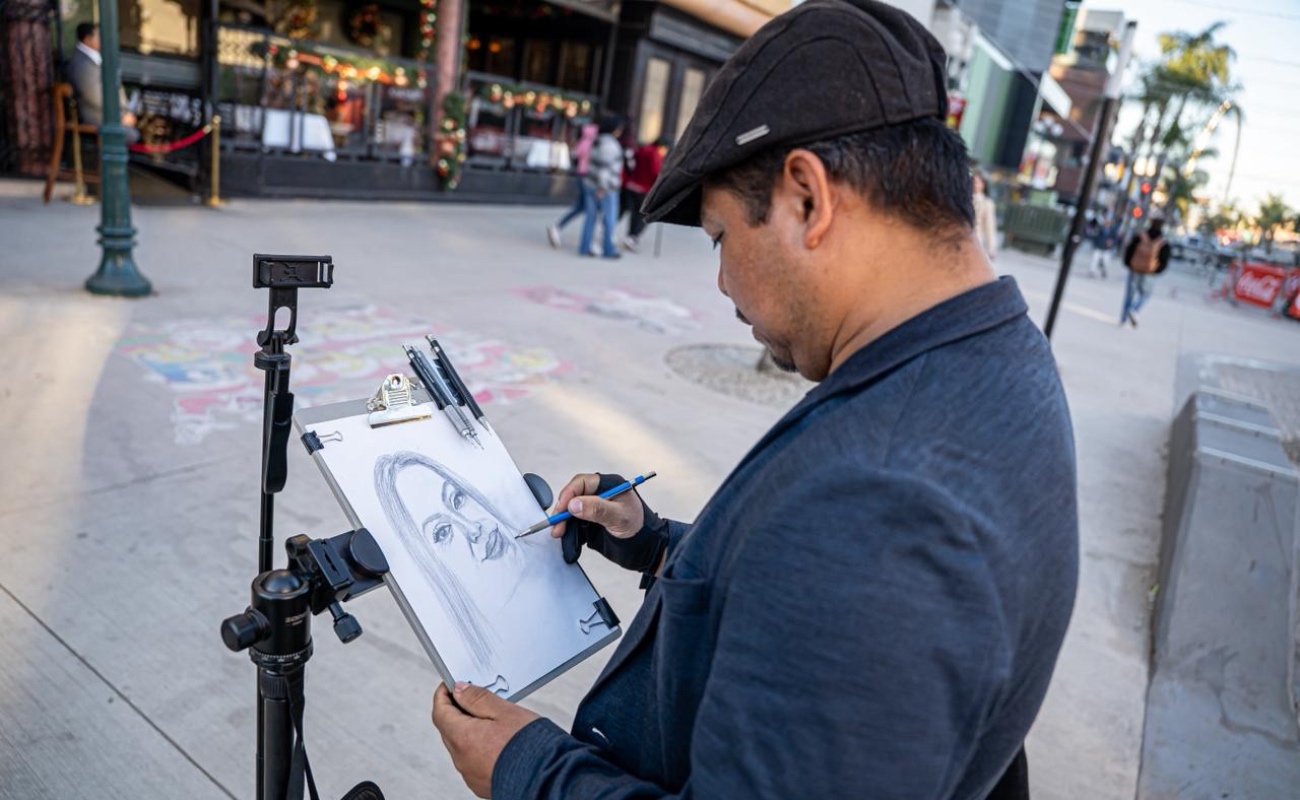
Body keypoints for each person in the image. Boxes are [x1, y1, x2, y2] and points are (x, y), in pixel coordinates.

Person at [431, 2, 1078, 799]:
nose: (721, 281)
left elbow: (846, 567)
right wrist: (659, 545)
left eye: (720, 237)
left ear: (808, 198)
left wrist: (529, 770)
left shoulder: (882, 504)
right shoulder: (991, 356)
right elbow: (815, 623)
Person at [66, 23, 138, 141]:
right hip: (95, 114)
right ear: (87, 39)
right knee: (130, 134)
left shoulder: (93, 57)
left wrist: (125, 111)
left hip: (107, 111)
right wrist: (119, 115)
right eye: (98, 35)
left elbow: (115, 86)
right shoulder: (82, 63)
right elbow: (93, 95)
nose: (103, 39)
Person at [577, 116, 624, 259]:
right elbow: (604, 168)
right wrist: (602, 187)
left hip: (590, 182)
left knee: (590, 217)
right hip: (606, 186)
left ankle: (584, 247)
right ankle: (608, 249)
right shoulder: (610, 145)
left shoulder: (597, 141)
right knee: (609, 218)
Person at [547, 123, 599, 249]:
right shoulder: (594, 144)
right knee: (591, 209)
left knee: (582, 206)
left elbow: (575, 156)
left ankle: (557, 227)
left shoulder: (583, 142)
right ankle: (589, 241)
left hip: (580, 175)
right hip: (589, 177)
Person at [620, 137, 671, 252]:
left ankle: (630, 236)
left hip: (632, 185)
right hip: (644, 188)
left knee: (635, 213)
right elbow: (655, 171)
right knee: (645, 215)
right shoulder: (654, 153)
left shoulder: (641, 149)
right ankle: (633, 236)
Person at [1120, 216, 1171, 327]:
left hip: (1134, 268)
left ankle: (1123, 319)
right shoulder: (1162, 242)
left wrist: (1128, 264)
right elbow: (1164, 260)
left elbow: (1129, 250)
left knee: (1129, 294)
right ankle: (1134, 309)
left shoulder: (1140, 236)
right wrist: (1157, 270)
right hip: (1149, 272)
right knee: (1145, 294)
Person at [972, 170, 998, 259]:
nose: (973, 184)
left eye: (976, 182)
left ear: (983, 184)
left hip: (975, 240)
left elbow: (989, 226)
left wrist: (991, 248)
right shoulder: (963, 198)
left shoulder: (987, 203)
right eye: (972, 181)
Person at [1087, 213, 1119, 279]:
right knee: (1095, 260)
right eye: (1106, 221)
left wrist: (1111, 242)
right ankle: (1092, 271)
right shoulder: (1099, 228)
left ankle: (1104, 271)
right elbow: (1094, 236)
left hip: (1107, 249)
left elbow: (1115, 239)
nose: (1107, 223)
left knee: (1105, 262)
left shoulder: (1112, 230)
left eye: (1108, 222)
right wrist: (1096, 244)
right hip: (1098, 247)